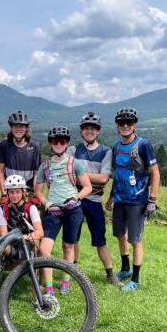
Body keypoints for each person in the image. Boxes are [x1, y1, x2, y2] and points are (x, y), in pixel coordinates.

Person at [105, 108, 160, 291]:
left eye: (129, 122)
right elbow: (118, 174)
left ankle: (135, 280)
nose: (126, 125)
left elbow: (155, 172)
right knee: (120, 234)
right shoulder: (116, 146)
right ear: (117, 126)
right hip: (120, 199)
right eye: (122, 122)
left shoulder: (143, 145)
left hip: (137, 200)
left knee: (135, 240)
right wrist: (111, 197)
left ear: (135, 124)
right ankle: (126, 268)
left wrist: (152, 199)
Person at [35, 126, 92, 296]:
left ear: (67, 143)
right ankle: (49, 288)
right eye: (55, 141)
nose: (58, 144)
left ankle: (66, 281)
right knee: (44, 250)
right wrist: (47, 204)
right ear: (51, 143)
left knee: (68, 246)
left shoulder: (75, 163)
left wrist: (76, 198)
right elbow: (37, 191)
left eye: (62, 141)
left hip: (73, 210)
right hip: (53, 210)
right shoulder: (44, 166)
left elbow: (88, 187)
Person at [68, 112, 121, 286]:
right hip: (76, 199)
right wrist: (92, 177)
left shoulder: (106, 151)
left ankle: (110, 273)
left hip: (95, 200)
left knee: (100, 239)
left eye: (93, 128)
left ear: (98, 131)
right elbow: (67, 175)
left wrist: (80, 176)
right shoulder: (74, 150)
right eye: (86, 128)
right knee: (73, 237)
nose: (89, 131)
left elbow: (104, 178)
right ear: (82, 131)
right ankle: (73, 271)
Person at [0, 111, 41, 203]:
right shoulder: (4, 145)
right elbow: (0, 171)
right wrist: (4, 194)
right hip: (10, 190)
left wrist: (36, 195)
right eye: (15, 126)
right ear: (11, 128)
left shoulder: (34, 146)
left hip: (28, 191)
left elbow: (36, 173)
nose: (18, 129)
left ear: (26, 128)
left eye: (21, 126)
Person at [2, 174, 44, 257]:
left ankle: (13, 253)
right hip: (9, 241)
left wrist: (23, 237)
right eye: (11, 192)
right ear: (7, 193)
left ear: (23, 192)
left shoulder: (31, 208)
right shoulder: (4, 209)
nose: (14, 195)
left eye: (17, 192)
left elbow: (40, 232)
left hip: (26, 242)